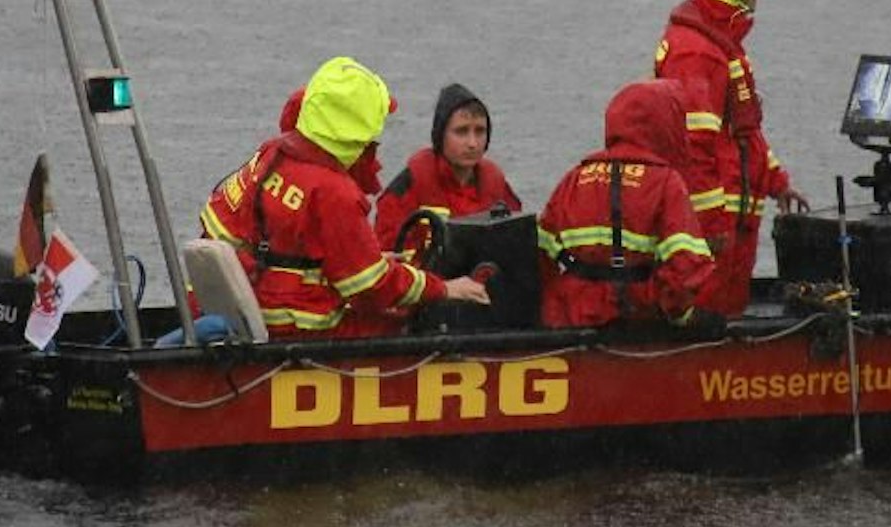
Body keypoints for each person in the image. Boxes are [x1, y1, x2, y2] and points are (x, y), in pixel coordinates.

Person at [199, 56, 488, 338]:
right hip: (300, 325)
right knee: (403, 327)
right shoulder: (335, 191)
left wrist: (365, 259)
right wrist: (445, 288)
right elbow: (371, 285)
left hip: (249, 306)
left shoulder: (272, 154)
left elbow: (281, 245)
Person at [653, 0, 809, 317]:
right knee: (709, 319)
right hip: (719, 224)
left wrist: (777, 181)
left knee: (729, 311)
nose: (757, 3)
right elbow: (694, 149)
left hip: (736, 215)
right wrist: (710, 225)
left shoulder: (719, 44)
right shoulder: (697, 52)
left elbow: (745, 131)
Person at [536, 79, 719, 331]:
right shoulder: (665, 182)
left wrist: (555, 308)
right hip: (637, 320)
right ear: (665, 125)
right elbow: (686, 268)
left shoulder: (575, 178)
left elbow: (539, 255)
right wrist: (679, 316)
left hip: (570, 319)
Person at [373, 83, 524, 256]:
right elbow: (389, 264)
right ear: (440, 136)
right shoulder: (404, 192)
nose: (472, 143)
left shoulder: (498, 188)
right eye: (461, 132)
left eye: (480, 131)